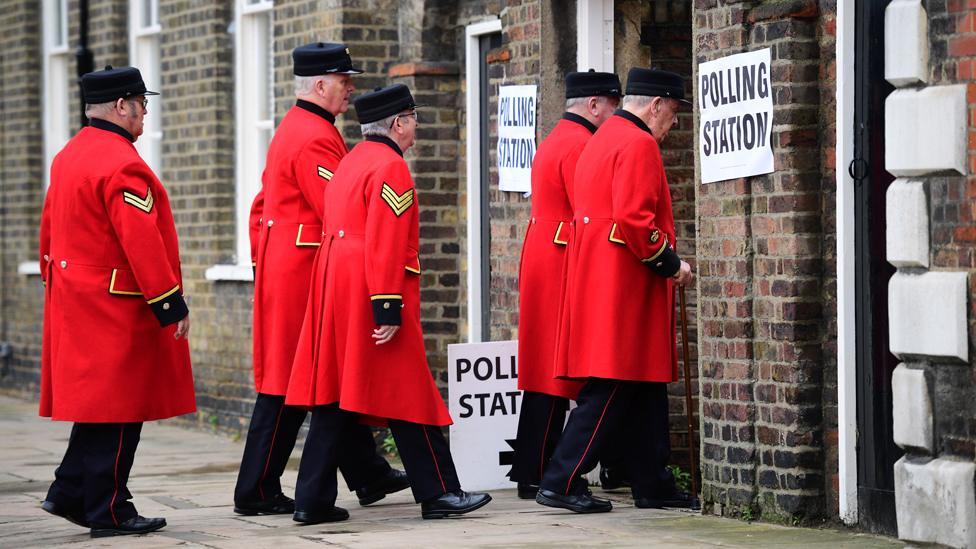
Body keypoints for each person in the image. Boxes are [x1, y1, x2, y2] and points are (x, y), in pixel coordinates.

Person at [286, 84, 491, 520]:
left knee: (335, 396)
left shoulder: (351, 161)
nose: (416, 126)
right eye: (413, 118)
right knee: (410, 391)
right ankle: (439, 494)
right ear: (398, 123)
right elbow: (386, 241)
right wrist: (387, 306)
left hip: (336, 286)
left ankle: (312, 501)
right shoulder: (391, 167)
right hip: (370, 288)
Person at [236, 42, 407, 519]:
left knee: (316, 380)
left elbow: (261, 208)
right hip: (305, 273)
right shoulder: (315, 136)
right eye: (343, 80)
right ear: (319, 85)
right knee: (294, 385)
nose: (350, 89)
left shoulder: (297, 128)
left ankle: (368, 474)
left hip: (288, 266)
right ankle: (257, 489)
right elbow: (339, 206)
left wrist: (262, 261)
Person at [38, 65, 195, 537]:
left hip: (75, 300)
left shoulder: (68, 155)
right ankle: (108, 509)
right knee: (122, 408)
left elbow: (48, 231)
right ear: (122, 105)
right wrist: (170, 304)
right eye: (142, 103)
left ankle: (68, 492)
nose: (146, 111)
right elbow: (140, 239)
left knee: (98, 406)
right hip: (117, 304)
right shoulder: (122, 161)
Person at [536, 68, 694, 513]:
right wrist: (670, 263)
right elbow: (635, 221)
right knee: (613, 381)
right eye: (674, 111)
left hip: (602, 276)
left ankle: (653, 482)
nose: (674, 122)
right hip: (626, 283)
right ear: (656, 105)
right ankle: (561, 480)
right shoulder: (639, 142)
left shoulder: (603, 136)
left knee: (645, 384)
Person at [510, 70, 621, 499]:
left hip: (545, 252)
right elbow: (590, 207)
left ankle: (533, 468)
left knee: (545, 372)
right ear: (594, 106)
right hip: (562, 257)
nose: (615, 117)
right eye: (612, 107)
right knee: (558, 373)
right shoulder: (582, 144)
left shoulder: (557, 137)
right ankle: (543, 470)